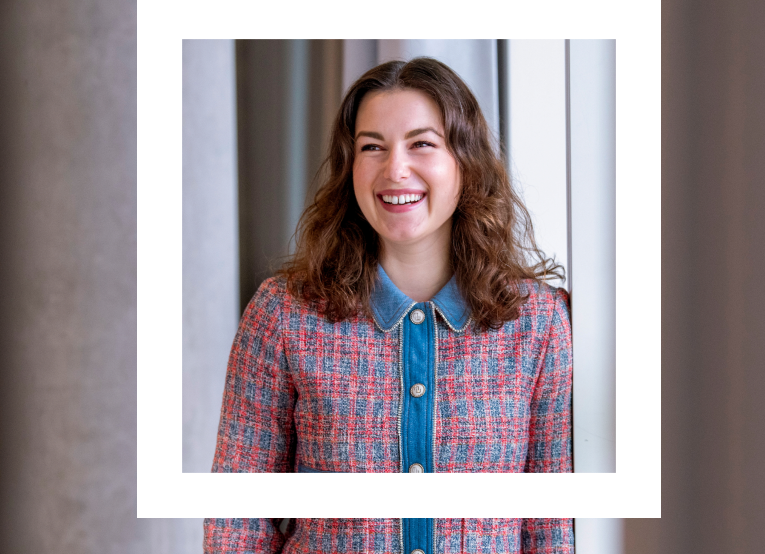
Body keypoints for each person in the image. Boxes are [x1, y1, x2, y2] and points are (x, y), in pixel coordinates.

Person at [205, 58, 574, 554]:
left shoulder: (539, 323)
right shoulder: (283, 315)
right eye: (372, 147)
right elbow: (236, 520)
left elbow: (551, 529)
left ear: (464, 159)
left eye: (422, 143)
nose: (394, 169)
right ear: (350, 167)